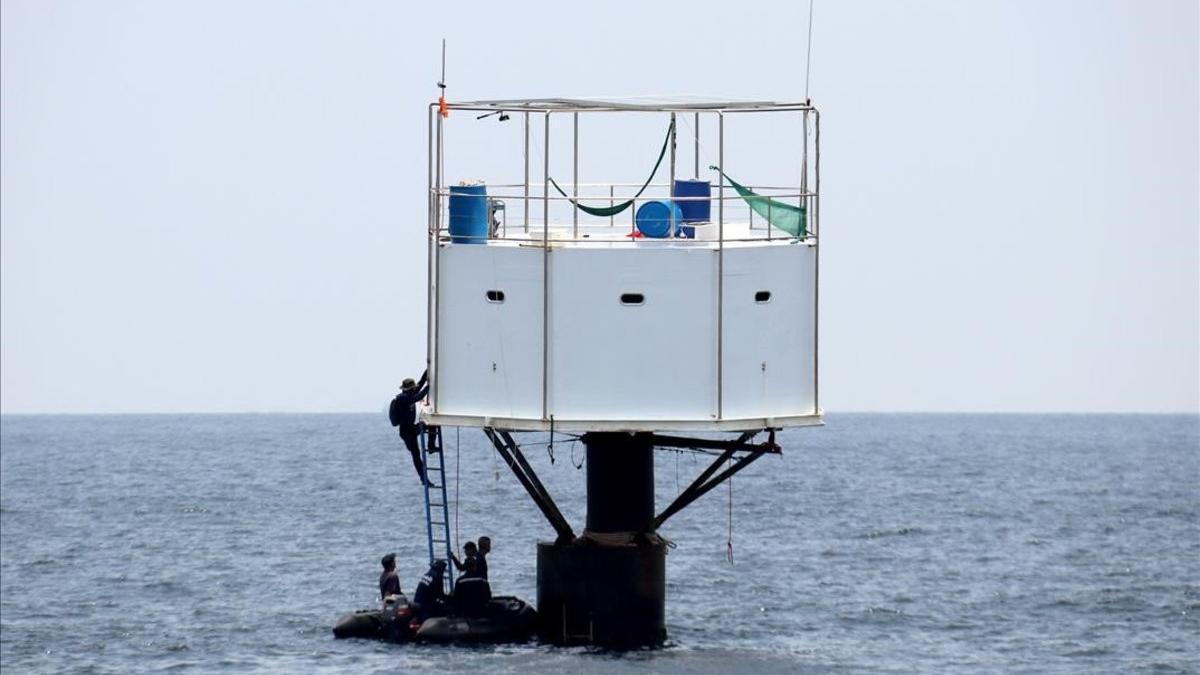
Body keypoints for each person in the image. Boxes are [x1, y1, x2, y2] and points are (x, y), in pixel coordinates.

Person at [389, 371, 430, 485]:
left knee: (430, 424)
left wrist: (428, 371)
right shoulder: (403, 399)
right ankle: (423, 478)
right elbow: (420, 396)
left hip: (412, 428)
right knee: (416, 455)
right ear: (409, 389)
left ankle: (431, 445)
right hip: (406, 433)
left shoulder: (410, 394)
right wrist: (431, 386)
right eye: (413, 388)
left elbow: (421, 384)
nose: (414, 389)